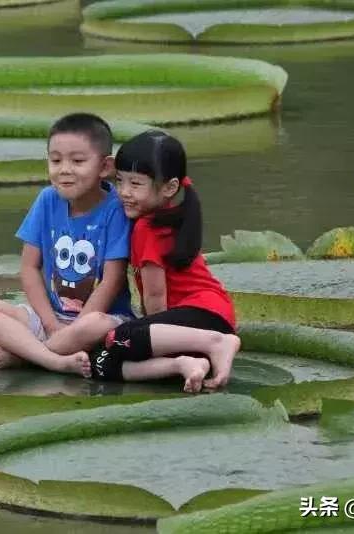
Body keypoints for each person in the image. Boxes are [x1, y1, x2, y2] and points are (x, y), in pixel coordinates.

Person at [72, 130, 241, 392]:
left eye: (135, 184)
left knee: (119, 337)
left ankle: (216, 344)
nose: (124, 192)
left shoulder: (146, 229)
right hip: (213, 319)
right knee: (100, 363)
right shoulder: (173, 213)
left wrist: (144, 338)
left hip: (197, 317)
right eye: (120, 181)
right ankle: (185, 364)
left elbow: (155, 298)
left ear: (169, 188)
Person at [0, 112, 135, 375]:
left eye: (78, 160)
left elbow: (112, 281)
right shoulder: (47, 200)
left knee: (94, 325)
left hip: (99, 319)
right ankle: (54, 358)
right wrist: (50, 323)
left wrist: (78, 325)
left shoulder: (116, 209)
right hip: (52, 319)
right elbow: (29, 268)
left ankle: (25, 356)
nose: (64, 169)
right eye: (55, 160)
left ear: (104, 167)